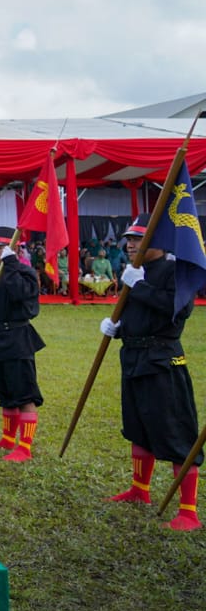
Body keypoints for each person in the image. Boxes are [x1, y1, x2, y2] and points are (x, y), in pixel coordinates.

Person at [101, 216, 201, 530]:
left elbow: (176, 309)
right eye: (129, 239)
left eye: (138, 239)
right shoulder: (136, 272)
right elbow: (139, 314)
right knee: (138, 426)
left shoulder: (175, 271)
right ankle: (139, 490)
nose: (130, 245)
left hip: (162, 362)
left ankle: (188, 511)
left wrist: (138, 285)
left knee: (175, 431)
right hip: (133, 358)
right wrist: (118, 329)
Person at [0, 227, 44, 463]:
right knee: (5, 393)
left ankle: (25, 446)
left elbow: (21, 294)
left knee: (23, 394)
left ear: (13, 249)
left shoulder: (24, 272)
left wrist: (12, 263)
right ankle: (7, 438)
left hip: (16, 340)